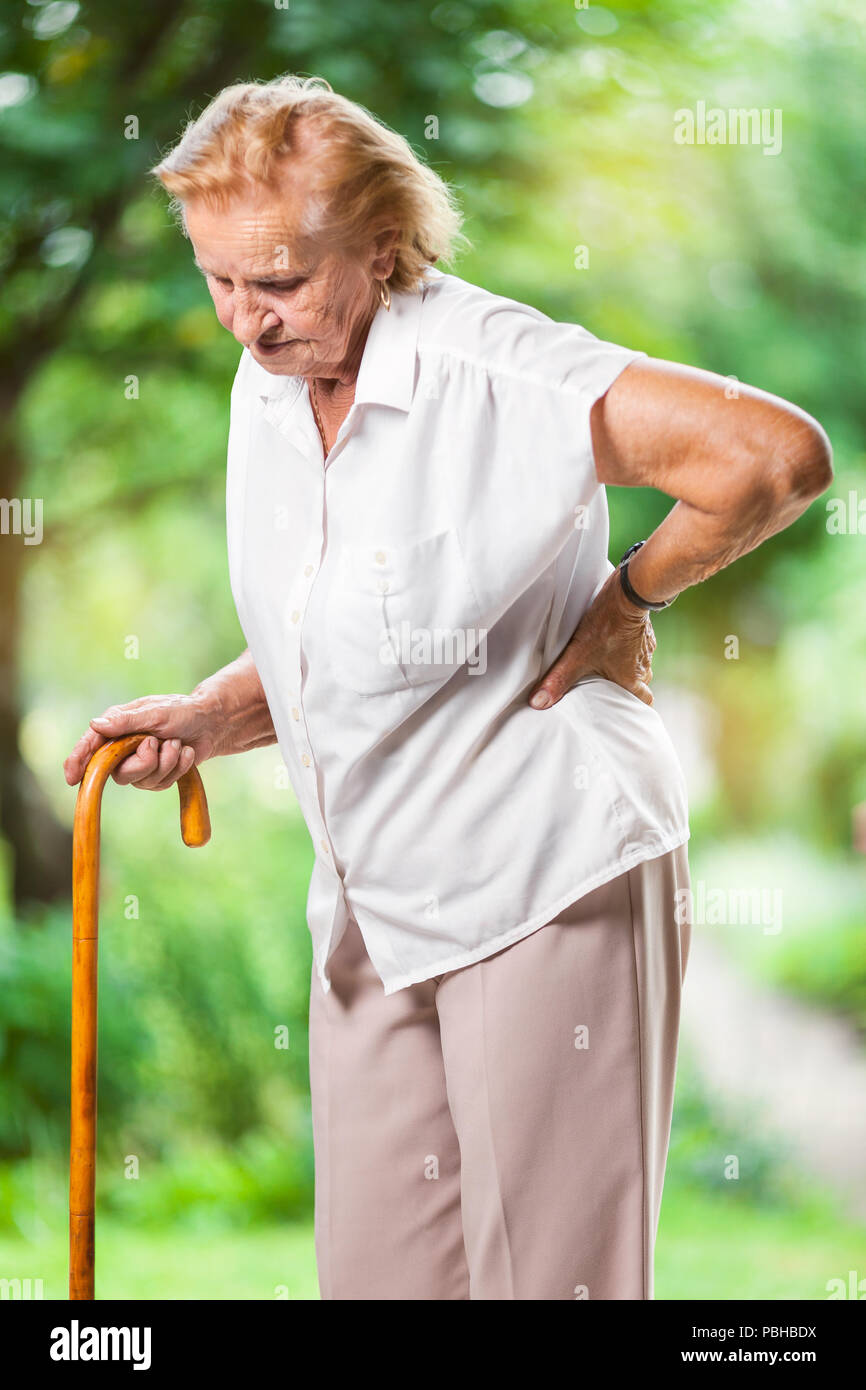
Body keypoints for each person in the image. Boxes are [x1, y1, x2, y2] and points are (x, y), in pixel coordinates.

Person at [63, 75, 833, 1300]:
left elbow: (773, 456)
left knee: (547, 1283)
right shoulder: (269, 388)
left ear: (382, 250)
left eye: (277, 283)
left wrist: (629, 596)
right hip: (377, 902)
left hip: (546, 876)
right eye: (218, 280)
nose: (245, 323)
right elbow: (359, 631)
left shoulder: (497, 369)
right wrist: (216, 714)